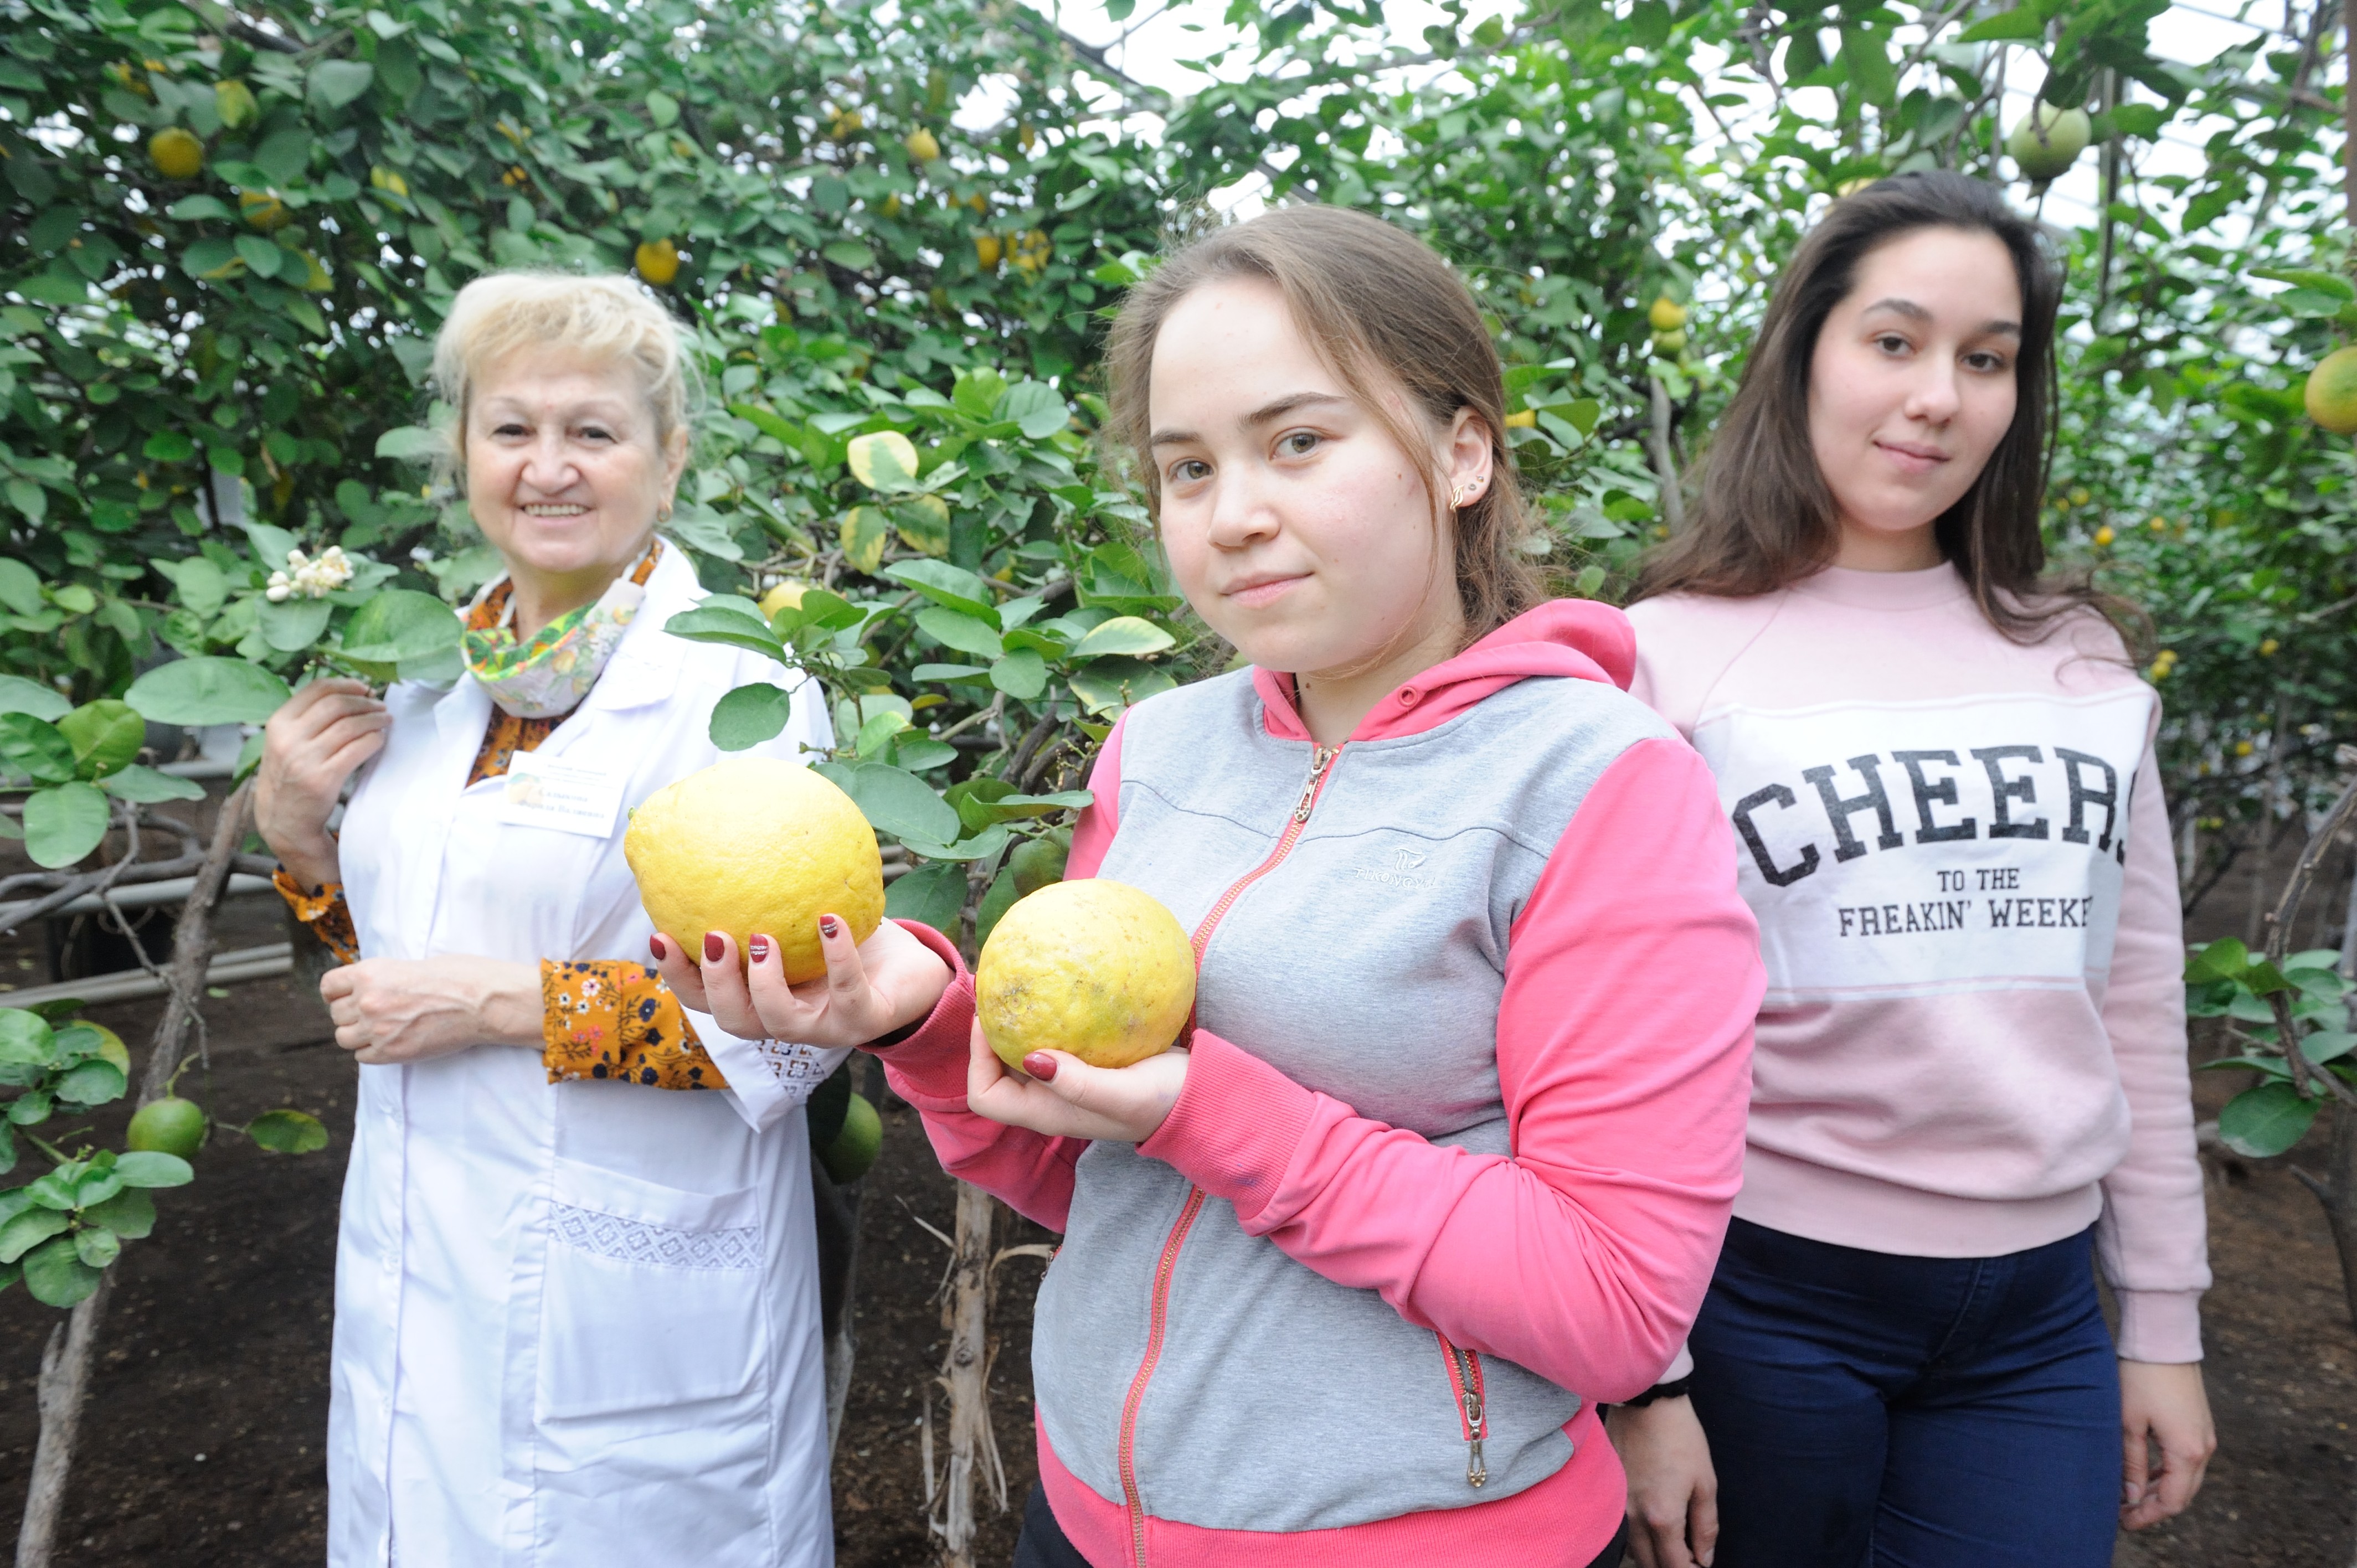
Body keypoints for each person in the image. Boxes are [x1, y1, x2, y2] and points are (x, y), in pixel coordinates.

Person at [655, 204, 1763, 1568]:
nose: (1234, 516)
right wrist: (922, 1027)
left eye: (1299, 441)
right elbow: (1089, 1178)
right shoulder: (1159, 751)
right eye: (1186, 468)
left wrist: (1213, 1110)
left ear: (1460, 451)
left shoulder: (1598, 784)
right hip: (1082, 1518)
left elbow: (1613, 1304)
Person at [1611, 171, 2216, 1568]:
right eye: (1893, 341)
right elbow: (1602, 1040)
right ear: (1806, 352)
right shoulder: (1663, 656)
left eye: (1985, 358)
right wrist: (1643, 1378)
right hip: (1764, 1296)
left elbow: (2134, 998)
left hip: (2035, 1320)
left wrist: (2166, 1325)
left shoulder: (2076, 658)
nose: (1937, 394)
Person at [256, 271, 892, 1567]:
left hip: (638, 1312)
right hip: (415, 1277)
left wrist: (496, 1004)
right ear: (464, 459)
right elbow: (380, 978)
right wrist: (296, 844)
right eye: (511, 430)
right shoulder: (428, 680)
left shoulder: (739, 695)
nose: (548, 467)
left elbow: (795, 1031)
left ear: (666, 466)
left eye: (593, 433)